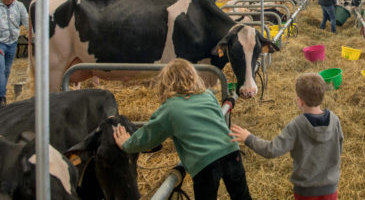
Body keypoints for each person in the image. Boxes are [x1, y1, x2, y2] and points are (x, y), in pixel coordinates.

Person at [113, 59, 252, 200]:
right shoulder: (208, 95)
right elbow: (219, 120)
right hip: (231, 151)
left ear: (165, 82)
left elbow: (148, 136)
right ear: (193, 76)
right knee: (242, 196)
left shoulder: (169, 109)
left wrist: (127, 144)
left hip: (205, 162)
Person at [230, 72, 343, 200]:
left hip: (306, 191)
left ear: (300, 102)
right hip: (330, 188)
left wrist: (248, 138)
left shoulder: (296, 126)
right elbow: (339, 148)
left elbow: (271, 150)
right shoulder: (335, 121)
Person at [0, 0, 29, 106]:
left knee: (7, 71)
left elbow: (27, 22)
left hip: (13, 43)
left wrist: (35, 34)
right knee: (0, 70)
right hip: (0, 43)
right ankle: (2, 98)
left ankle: (1, 93)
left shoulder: (20, 6)